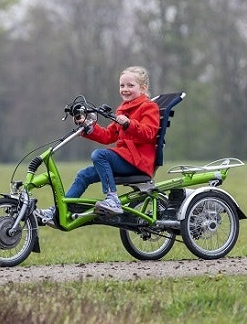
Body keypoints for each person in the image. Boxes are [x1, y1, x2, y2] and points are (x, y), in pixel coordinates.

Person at [39, 66, 160, 221]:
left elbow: (149, 133)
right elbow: (108, 135)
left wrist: (129, 124)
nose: (125, 89)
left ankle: (113, 199)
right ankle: (59, 211)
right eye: (122, 86)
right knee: (83, 175)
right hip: (125, 159)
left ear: (143, 88)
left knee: (99, 155)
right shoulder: (122, 110)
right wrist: (88, 127)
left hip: (138, 161)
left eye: (131, 86)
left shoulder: (149, 107)